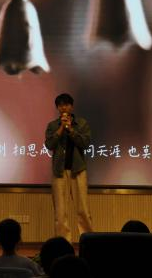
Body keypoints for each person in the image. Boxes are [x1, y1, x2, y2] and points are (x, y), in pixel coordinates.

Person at [44, 93, 93, 241]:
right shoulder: (53, 126)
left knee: (83, 209)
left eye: (66, 104)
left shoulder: (81, 124)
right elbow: (49, 144)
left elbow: (85, 143)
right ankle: (63, 242)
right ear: (57, 108)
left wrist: (71, 129)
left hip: (78, 170)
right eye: (60, 105)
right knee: (60, 211)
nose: (63, 108)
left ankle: (88, 241)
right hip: (59, 171)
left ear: (71, 106)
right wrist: (61, 129)